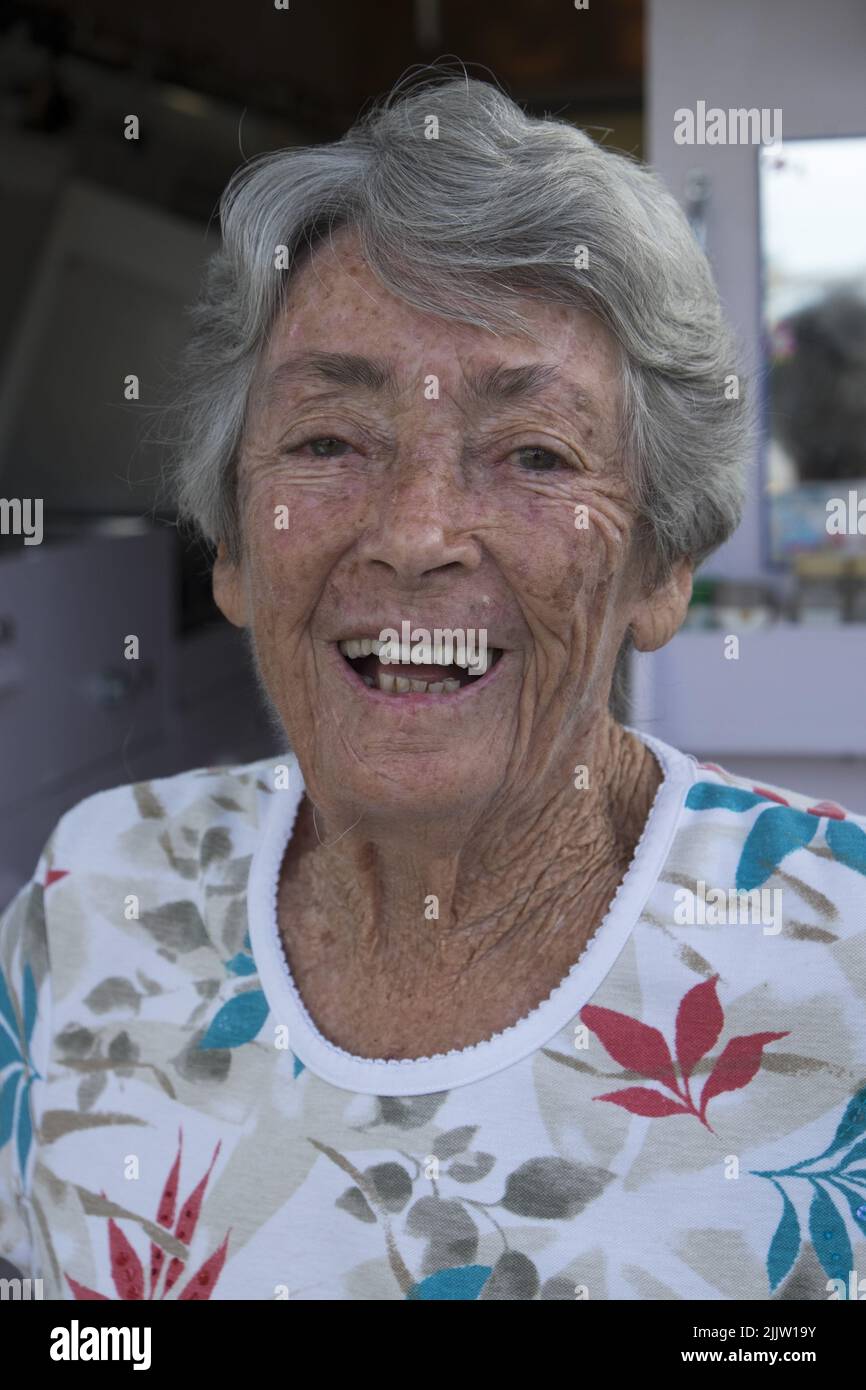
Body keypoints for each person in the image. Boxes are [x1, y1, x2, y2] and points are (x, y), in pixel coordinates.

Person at [1, 73, 864, 1302]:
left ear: (659, 564)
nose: (415, 534)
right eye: (328, 441)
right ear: (235, 547)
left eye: (531, 454)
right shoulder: (96, 894)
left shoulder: (840, 966)